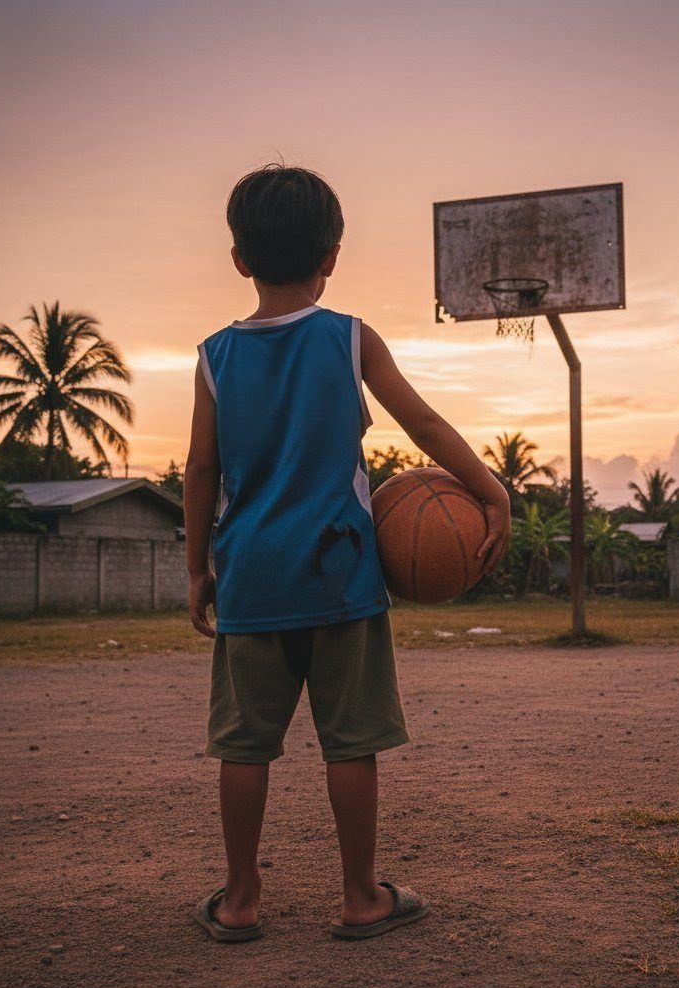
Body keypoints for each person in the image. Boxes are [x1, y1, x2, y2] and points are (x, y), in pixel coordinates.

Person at [184, 163, 511, 942]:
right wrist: (491, 491)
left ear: (239, 259)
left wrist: (198, 567)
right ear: (332, 256)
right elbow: (425, 428)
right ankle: (361, 896)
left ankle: (239, 900)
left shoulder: (213, 357)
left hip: (253, 580)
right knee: (351, 744)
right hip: (340, 576)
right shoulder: (350, 339)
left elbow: (201, 470)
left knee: (244, 747)